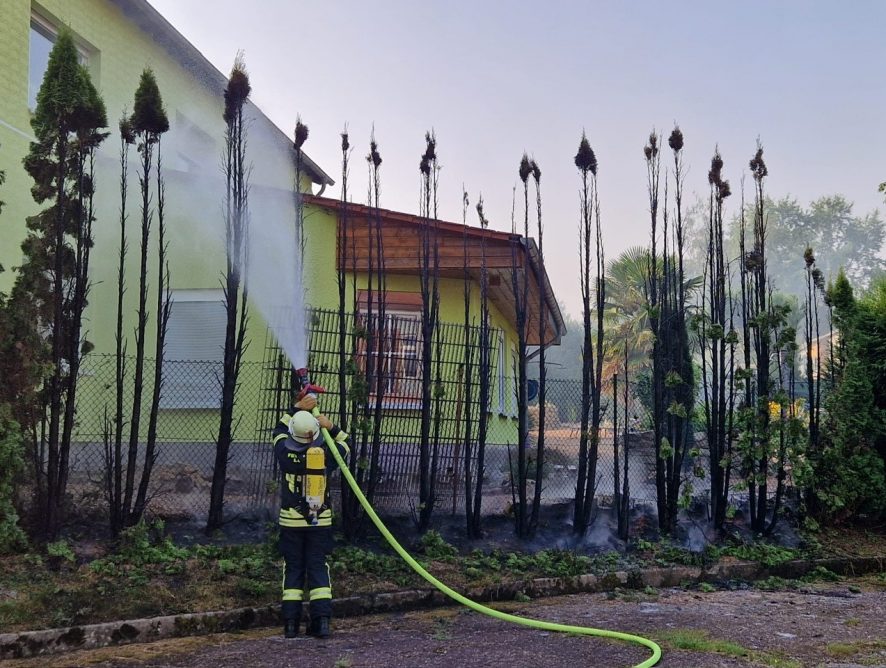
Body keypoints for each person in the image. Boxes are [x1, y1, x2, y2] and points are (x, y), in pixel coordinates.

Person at [272, 394, 349, 639]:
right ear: (315, 432)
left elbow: (279, 431)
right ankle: (322, 622)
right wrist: (330, 426)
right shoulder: (326, 453)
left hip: (291, 522)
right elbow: (346, 444)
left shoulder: (284, 452)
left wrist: (294, 408)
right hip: (320, 521)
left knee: (293, 568)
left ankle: (291, 625)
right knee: (318, 567)